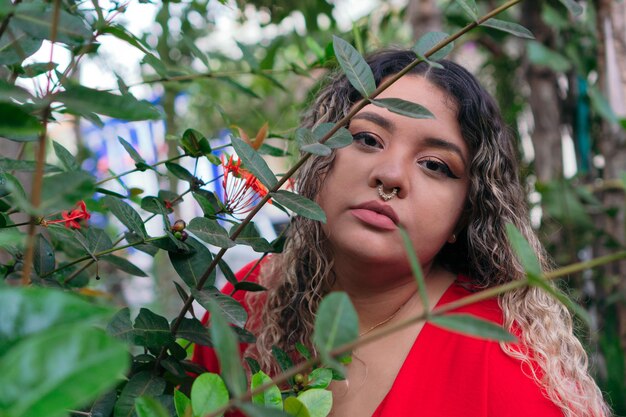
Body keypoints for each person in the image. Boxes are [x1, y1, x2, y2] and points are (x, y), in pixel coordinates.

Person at [194, 49, 610, 417]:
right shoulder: (242, 307)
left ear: (465, 215)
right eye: (368, 139)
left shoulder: (506, 368)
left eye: (434, 165)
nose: (390, 175)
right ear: (319, 156)